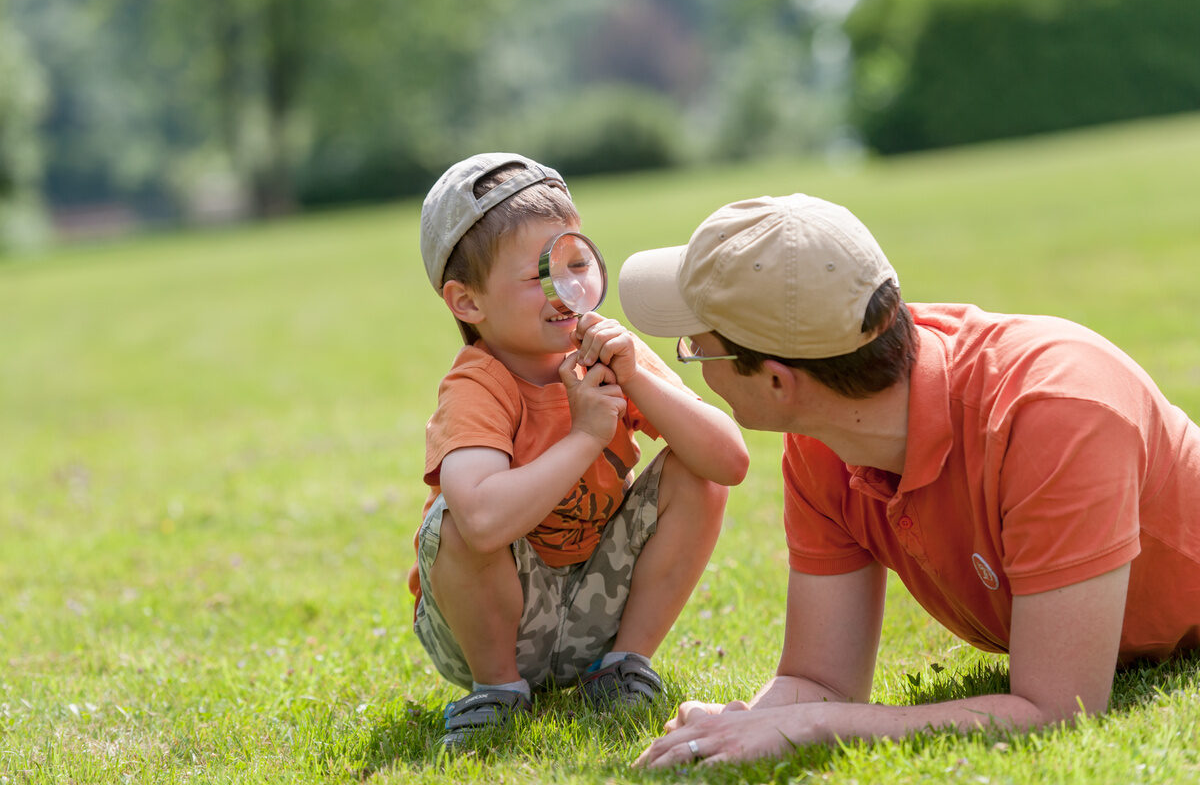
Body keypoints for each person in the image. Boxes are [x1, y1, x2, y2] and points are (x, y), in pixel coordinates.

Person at [616, 193, 1200, 767]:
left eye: (696, 347)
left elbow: (1058, 708)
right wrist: (746, 722)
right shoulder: (823, 438)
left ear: (776, 382)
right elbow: (820, 677)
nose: (688, 355)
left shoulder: (1058, 413)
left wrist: (814, 725)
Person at [409, 152, 749, 749]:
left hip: (596, 599)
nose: (565, 288)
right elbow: (483, 521)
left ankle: (622, 666)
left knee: (696, 471)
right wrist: (587, 434)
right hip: (492, 628)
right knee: (455, 520)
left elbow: (730, 463)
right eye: (536, 276)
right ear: (467, 303)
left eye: (575, 262)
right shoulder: (476, 386)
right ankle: (497, 692)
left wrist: (637, 379)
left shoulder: (611, 354)